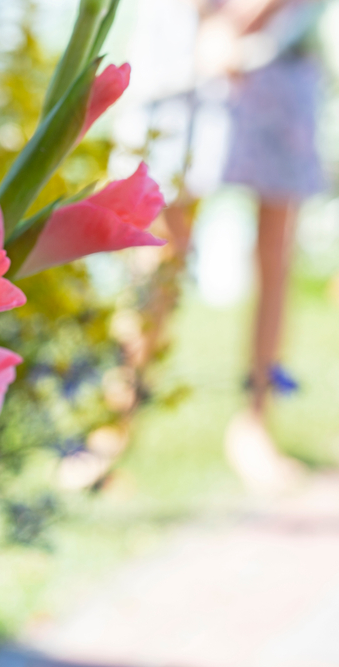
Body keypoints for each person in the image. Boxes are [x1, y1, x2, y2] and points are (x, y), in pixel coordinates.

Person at [202, 0, 325, 493]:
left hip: (281, 62)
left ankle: (255, 421)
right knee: (162, 240)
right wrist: (209, 24)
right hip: (202, 58)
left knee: (275, 254)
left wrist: (236, 21)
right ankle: (118, 419)